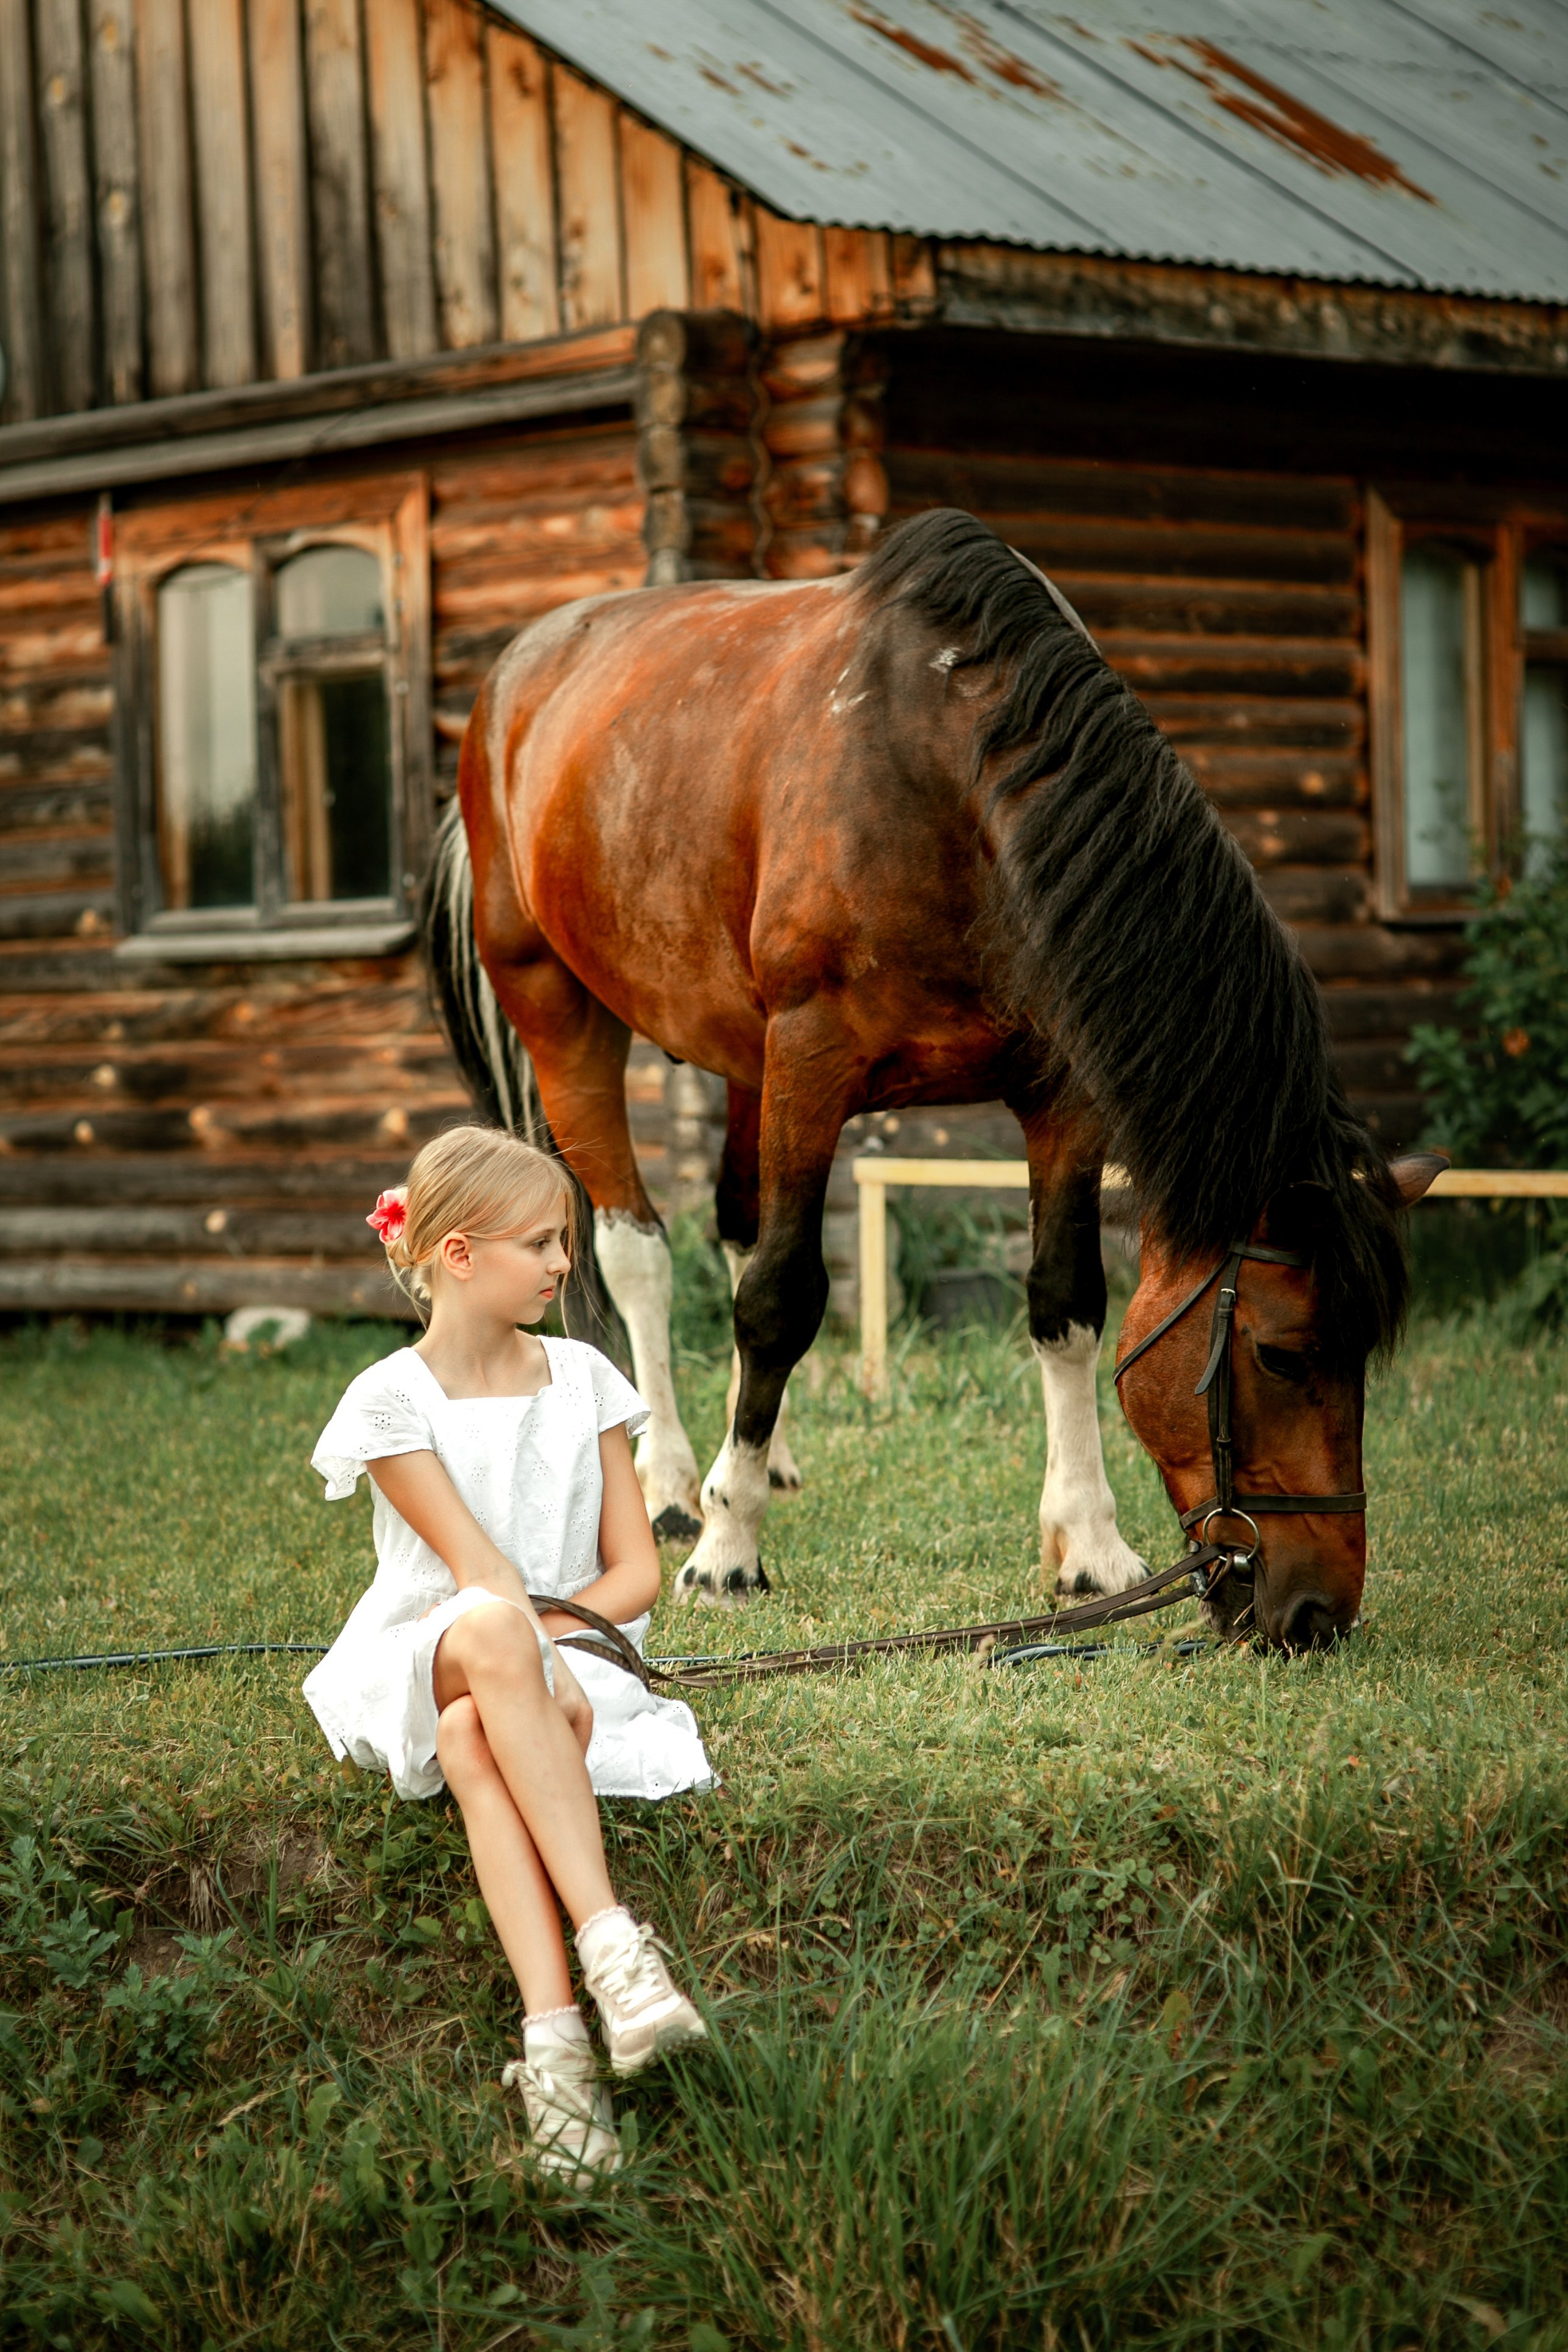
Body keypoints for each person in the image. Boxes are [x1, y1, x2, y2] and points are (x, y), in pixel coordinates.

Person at [302, 1124, 713, 2183]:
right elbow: (479, 1572)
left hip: (550, 1659)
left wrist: (550, 1658)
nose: (564, 1264)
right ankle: (615, 1944)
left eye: (565, 1241)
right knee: (486, 1639)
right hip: (433, 1642)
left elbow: (635, 1576)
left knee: (473, 1734)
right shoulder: (390, 1401)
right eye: (541, 1243)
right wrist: (537, 1657)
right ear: (458, 1254)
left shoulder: (585, 1378)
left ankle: (560, 2056)